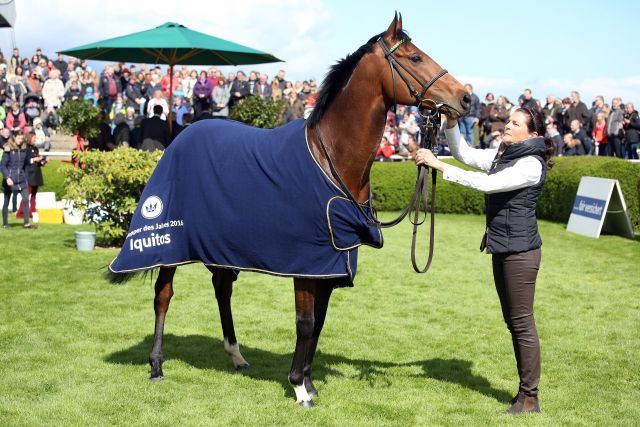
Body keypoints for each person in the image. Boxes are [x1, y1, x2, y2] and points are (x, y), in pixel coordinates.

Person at [415, 107, 554, 414]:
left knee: (522, 323)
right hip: (504, 247)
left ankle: (529, 397)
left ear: (532, 134)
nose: (507, 126)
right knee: (513, 322)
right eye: (508, 121)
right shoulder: (503, 155)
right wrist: (452, 125)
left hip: (521, 252)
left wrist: (437, 165)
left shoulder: (530, 163)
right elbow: (464, 153)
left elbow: (488, 184)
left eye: (515, 123)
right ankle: (525, 394)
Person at [2, 129, 31, 228]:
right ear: (14, 138)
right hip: (10, 180)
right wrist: (7, 177)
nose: (20, 140)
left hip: (22, 180)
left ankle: (26, 223)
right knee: (6, 202)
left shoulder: (24, 149)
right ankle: (5, 223)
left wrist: (26, 178)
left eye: (22, 138)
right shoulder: (8, 149)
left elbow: (26, 165)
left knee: (26, 200)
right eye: (19, 138)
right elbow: (2, 166)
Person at [22, 130, 46, 218]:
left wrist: (43, 161)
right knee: (27, 194)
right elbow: (25, 161)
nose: (35, 139)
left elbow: (38, 162)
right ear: (30, 138)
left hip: (36, 174)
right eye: (34, 137)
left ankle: (32, 211)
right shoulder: (26, 148)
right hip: (29, 174)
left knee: (34, 194)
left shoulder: (35, 148)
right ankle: (21, 212)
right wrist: (34, 160)